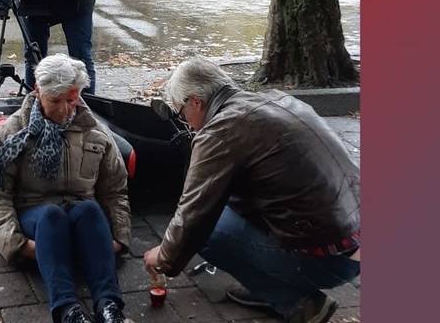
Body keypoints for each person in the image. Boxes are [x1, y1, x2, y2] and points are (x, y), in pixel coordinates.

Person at [143, 57, 361, 323]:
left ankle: (298, 301)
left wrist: (164, 257)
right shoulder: (275, 98)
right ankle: (272, 287)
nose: (186, 123)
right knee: (223, 209)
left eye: (181, 113)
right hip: (357, 236)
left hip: (330, 260)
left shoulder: (219, 131)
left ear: (196, 102)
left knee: (206, 232)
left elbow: (193, 215)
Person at [0, 53, 131, 323]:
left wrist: (118, 238)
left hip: (82, 218)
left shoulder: (95, 133)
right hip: (36, 218)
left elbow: (115, 189)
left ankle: (109, 306)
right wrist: (19, 245)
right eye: (55, 101)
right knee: (51, 215)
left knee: (90, 209)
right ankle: (66, 308)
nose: (64, 110)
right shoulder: (12, 134)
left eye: (71, 101)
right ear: (38, 92)